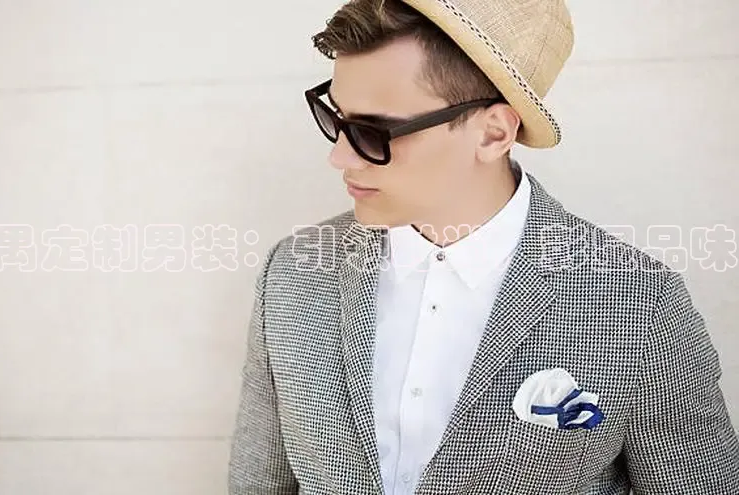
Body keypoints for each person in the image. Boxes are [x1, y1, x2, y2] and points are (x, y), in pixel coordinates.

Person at [227, 0, 739, 493]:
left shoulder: (640, 303)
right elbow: (258, 483)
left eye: (371, 131)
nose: (340, 157)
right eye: (336, 118)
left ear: (493, 133)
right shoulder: (291, 273)